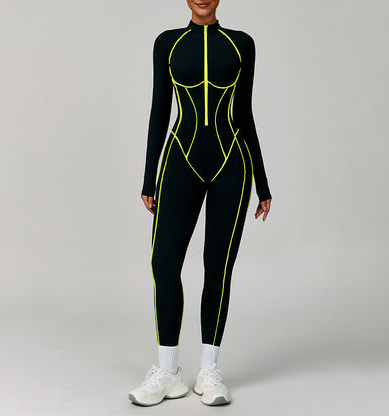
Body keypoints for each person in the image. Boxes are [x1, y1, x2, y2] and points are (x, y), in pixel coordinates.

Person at [129, 0, 272, 407]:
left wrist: (263, 183)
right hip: (180, 160)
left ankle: (209, 370)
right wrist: (149, 178)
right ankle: (168, 372)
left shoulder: (241, 43)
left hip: (232, 164)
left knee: (218, 266)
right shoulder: (167, 43)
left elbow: (244, 113)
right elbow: (160, 111)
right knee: (164, 263)